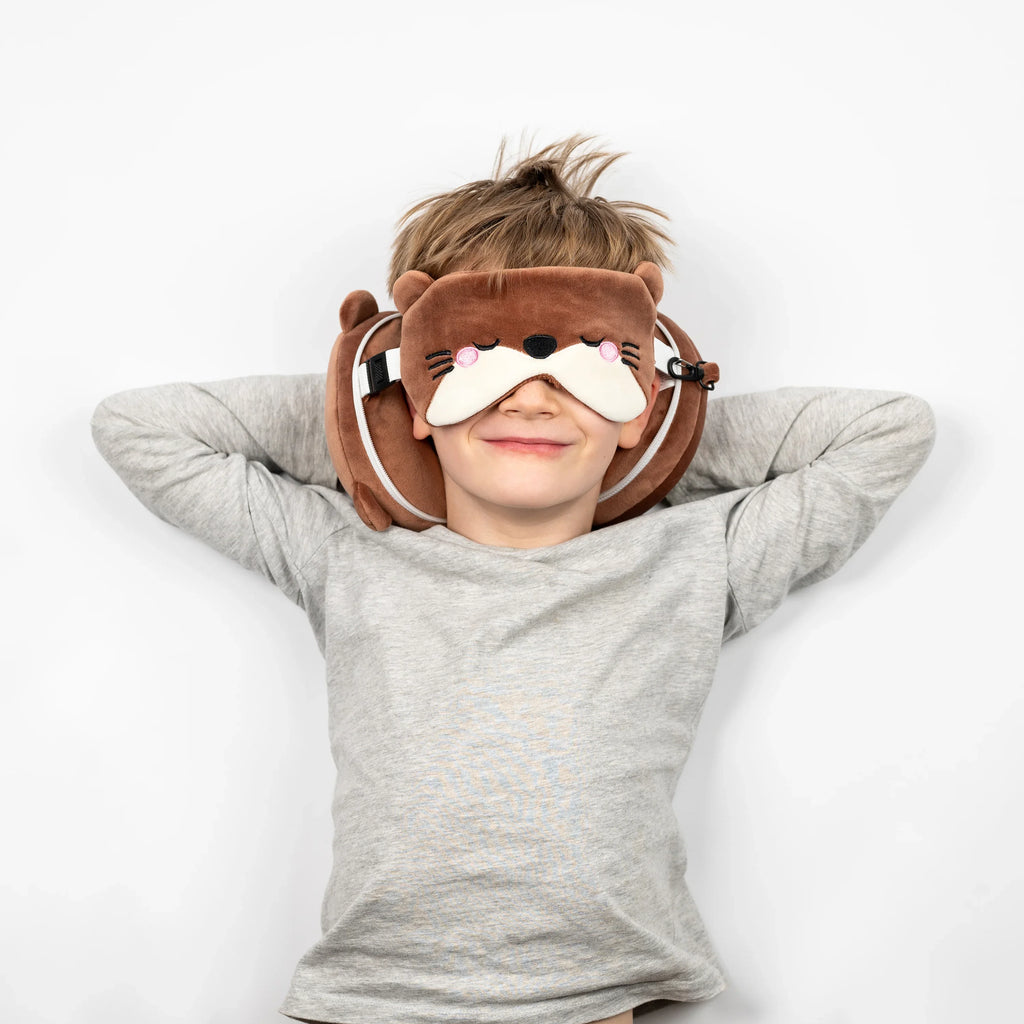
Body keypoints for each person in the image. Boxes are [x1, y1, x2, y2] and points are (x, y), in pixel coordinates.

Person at [91, 137, 936, 1024]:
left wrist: (645, 446)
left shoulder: (698, 558)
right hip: (374, 1000)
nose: (531, 400)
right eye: (475, 363)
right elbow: (140, 430)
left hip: (600, 1000)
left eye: (591, 366)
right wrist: (373, 421)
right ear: (418, 392)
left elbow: (888, 430)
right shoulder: (344, 552)